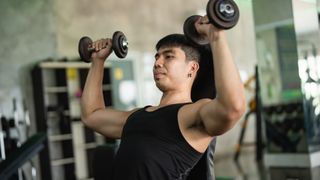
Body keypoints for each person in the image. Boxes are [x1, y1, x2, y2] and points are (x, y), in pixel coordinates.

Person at [81, 15, 246, 180]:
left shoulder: (191, 115)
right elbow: (91, 115)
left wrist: (215, 35)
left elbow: (232, 108)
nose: (157, 63)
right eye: (157, 57)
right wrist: (97, 61)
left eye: (169, 56)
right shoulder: (136, 116)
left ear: (192, 68)